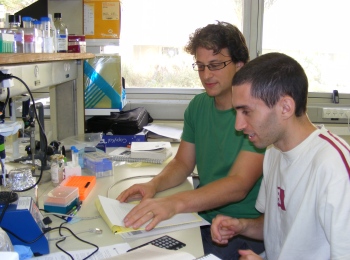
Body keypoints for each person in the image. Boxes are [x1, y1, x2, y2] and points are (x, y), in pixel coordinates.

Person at [117, 21, 265, 259]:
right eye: (201, 66)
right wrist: (152, 186)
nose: (206, 75)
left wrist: (174, 203)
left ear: (240, 65)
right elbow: (182, 163)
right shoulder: (198, 106)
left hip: (240, 229)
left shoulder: (254, 115)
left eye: (215, 65)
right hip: (202, 218)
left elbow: (238, 185)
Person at [211, 52, 350, 259]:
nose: (238, 125)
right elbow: (279, 227)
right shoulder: (273, 151)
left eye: (246, 112)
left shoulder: (333, 166)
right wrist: (242, 226)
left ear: (285, 107)